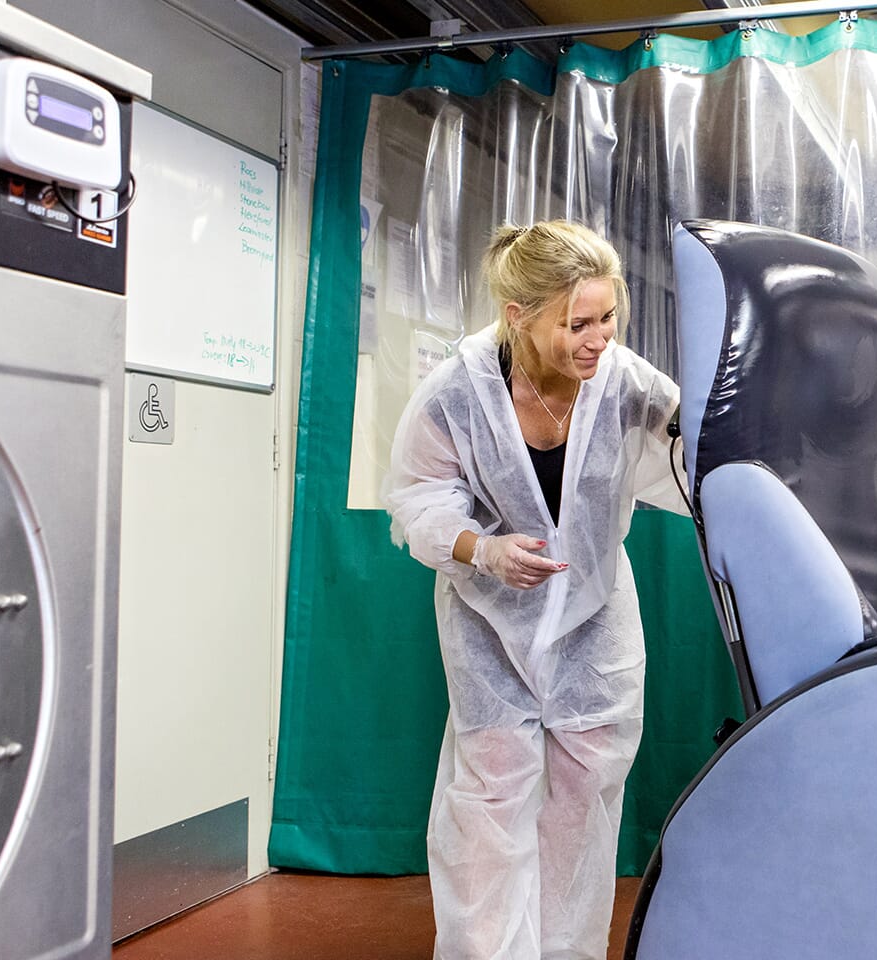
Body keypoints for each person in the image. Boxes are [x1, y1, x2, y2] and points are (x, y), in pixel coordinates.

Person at [382, 220, 686, 959]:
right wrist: (481, 550)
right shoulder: (456, 393)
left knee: (586, 794)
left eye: (608, 316)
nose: (598, 339)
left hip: (595, 612)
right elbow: (418, 497)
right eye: (576, 324)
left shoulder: (624, 382)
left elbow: (696, 449)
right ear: (517, 315)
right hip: (489, 619)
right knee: (491, 796)